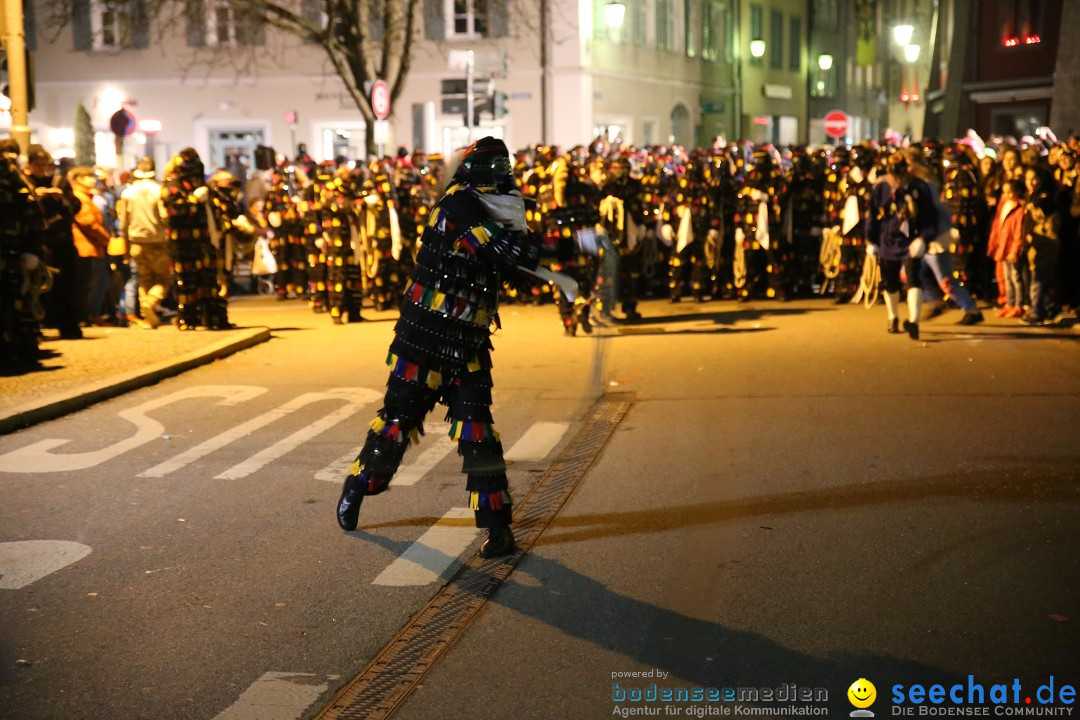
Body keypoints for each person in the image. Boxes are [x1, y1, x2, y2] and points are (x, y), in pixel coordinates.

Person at [336, 137, 540, 559]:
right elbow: (502, 251)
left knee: (478, 434)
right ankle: (358, 486)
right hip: (424, 343)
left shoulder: (501, 210)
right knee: (395, 427)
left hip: (468, 344)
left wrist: (551, 253)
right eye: (495, 166)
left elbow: (518, 266)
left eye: (506, 165)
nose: (503, 173)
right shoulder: (458, 208)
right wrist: (575, 242)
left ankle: (499, 528)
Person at [865, 151, 938, 340]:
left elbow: (930, 217)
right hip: (888, 240)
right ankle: (893, 316)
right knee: (890, 282)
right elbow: (873, 216)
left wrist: (923, 238)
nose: (898, 179)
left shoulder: (920, 187)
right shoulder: (881, 188)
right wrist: (871, 240)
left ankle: (914, 322)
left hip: (911, 240)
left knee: (914, 278)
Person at [118, 157, 169, 328]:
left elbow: (123, 224)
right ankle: (151, 302)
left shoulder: (128, 193)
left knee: (144, 278)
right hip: (157, 241)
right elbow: (164, 217)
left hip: (136, 242)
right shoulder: (159, 190)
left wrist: (126, 247)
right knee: (163, 279)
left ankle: (148, 317)